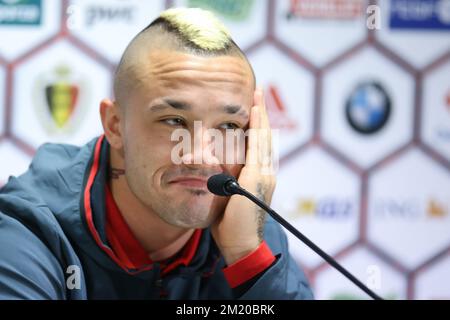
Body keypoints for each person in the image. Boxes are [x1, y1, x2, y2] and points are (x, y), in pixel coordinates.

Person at [0, 7, 313, 300]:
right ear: (115, 125)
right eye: (174, 121)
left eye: (228, 126)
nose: (200, 156)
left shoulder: (244, 222)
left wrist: (248, 257)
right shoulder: (31, 232)